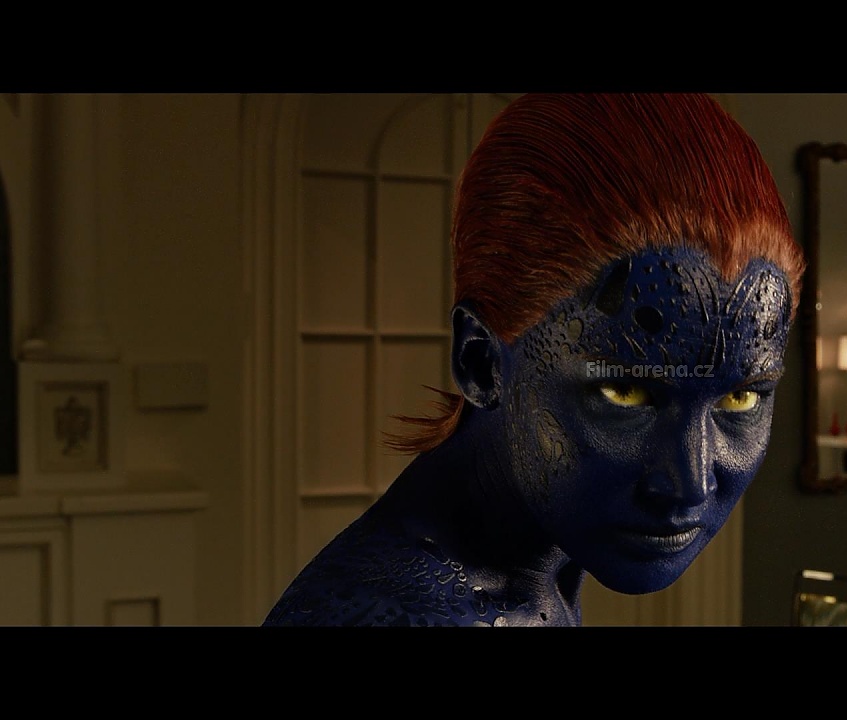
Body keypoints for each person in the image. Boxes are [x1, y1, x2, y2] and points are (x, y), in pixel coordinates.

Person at [262, 93, 804, 626]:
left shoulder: (535, 566)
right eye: (626, 393)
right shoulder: (399, 615)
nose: (690, 484)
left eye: (741, 397)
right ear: (481, 363)